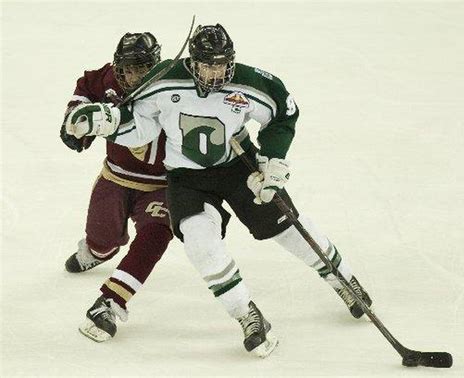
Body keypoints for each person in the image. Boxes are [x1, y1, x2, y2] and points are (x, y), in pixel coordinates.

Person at [65, 24, 372, 357]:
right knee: (199, 241)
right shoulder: (164, 80)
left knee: (285, 227)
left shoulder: (251, 82)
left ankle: (344, 280)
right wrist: (105, 122)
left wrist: (272, 164)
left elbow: (284, 113)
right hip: (186, 178)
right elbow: (141, 127)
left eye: (222, 64)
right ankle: (246, 314)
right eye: (208, 64)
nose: (216, 72)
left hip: (239, 167)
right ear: (193, 62)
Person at [60, 32, 173, 342]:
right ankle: (99, 250)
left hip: (162, 186)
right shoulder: (112, 76)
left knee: (155, 236)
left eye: (140, 68)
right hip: (116, 177)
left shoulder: (172, 89)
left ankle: (111, 301)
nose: (131, 75)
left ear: (155, 65)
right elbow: (87, 86)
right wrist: (74, 119)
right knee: (101, 241)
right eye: (126, 68)